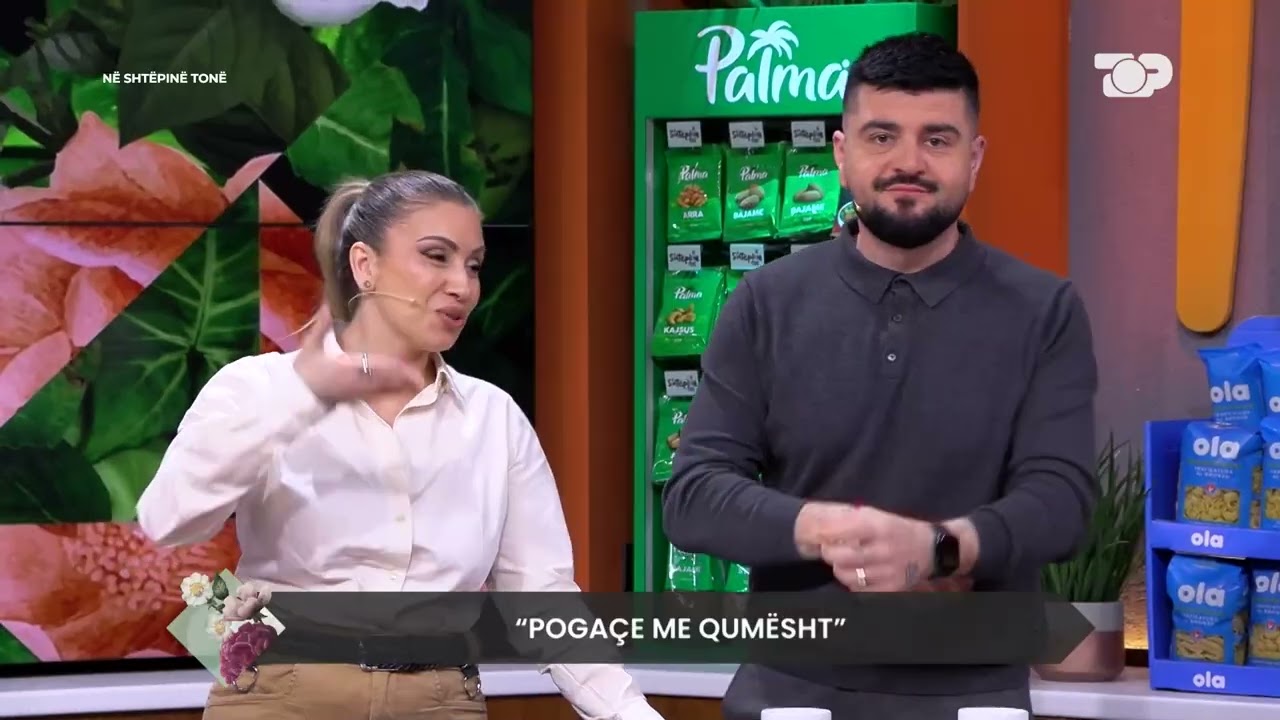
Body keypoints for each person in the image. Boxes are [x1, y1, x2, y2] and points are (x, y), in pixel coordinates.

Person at [661, 32, 1099, 720]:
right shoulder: (765, 302)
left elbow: (1062, 501)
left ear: (975, 158)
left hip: (973, 699)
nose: (908, 162)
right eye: (882, 136)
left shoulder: (1044, 311)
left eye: (937, 139)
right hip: (788, 695)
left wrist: (939, 548)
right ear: (842, 154)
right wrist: (827, 528)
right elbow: (694, 495)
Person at [136, 170, 666, 720]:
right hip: (278, 690)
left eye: (474, 265)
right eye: (436, 257)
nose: (462, 286)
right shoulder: (260, 387)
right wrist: (304, 397)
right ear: (364, 265)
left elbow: (543, 596)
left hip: (440, 698)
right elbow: (168, 520)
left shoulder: (493, 417)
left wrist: (630, 713)